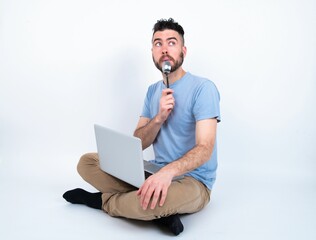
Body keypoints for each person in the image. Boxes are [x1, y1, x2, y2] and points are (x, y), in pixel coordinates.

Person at [63, 18, 221, 236]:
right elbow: (139, 142)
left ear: (183, 50)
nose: (164, 49)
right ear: (152, 52)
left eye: (171, 42)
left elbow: (205, 148)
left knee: (144, 203)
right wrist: (159, 118)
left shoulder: (203, 88)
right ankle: (158, 208)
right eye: (158, 43)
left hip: (192, 181)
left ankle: (101, 201)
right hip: (152, 171)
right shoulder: (152, 91)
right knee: (87, 162)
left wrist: (168, 173)